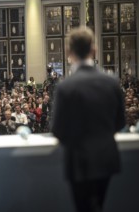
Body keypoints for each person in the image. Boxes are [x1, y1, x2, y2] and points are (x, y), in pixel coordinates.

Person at [51, 27, 125, 212]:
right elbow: (120, 123)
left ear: (69, 52)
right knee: (99, 205)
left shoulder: (65, 86)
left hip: (78, 161)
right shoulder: (111, 82)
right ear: (94, 50)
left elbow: (58, 130)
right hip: (106, 158)